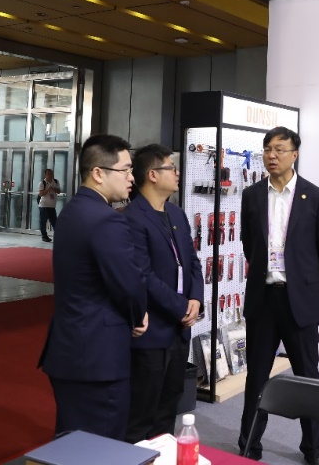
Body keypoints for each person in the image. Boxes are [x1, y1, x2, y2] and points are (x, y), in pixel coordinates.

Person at [37, 134, 149, 441]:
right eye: (125, 170)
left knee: (72, 441)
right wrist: (138, 315)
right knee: (102, 445)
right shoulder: (106, 220)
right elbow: (129, 284)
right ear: (98, 173)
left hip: (70, 348)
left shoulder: (73, 211)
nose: (132, 177)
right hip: (98, 357)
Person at [237, 127, 319, 465]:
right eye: (267, 149)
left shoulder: (315, 196)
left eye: (279, 149)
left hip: (299, 301)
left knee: (308, 377)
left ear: (295, 154)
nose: (271, 155)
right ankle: (249, 445)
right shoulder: (251, 195)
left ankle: (313, 449)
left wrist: (302, 281)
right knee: (257, 377)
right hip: (263, 299)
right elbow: (249, 243)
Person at [124, 144, 204, 442]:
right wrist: (181, 307)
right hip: (152, 330)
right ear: (153, 174)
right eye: (172, 167)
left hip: (179, 331)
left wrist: (195, 299)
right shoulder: (132, 217)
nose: (177, 173)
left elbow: (192, 261)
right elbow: (143, 275)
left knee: (168, 409)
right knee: (142, 413)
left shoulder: (176, 213)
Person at [37, 168, 61, 243]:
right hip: (44, 206)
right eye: (48, 174)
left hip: (52, 206)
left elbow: (59, 191)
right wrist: (47, 189)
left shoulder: (56, 182)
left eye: (51, 174)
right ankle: (44, 236)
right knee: (43, 222)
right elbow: (40, 194)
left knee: (55, 222)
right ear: (45, 175)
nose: (50, 175)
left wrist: (53, 188)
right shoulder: (42, 183)